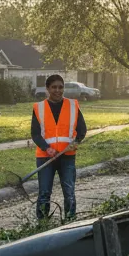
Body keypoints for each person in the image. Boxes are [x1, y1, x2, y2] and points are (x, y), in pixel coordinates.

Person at [31, 74, 87, 220]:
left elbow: (82, 130)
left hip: (67, 157)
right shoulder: (39, 107)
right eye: (54, 87)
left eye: (60, 87)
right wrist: (46, 148)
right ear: (48, 89)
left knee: (69, 192)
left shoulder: (72, 105)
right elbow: (35, 134)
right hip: (45, 158)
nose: (57, 90)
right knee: (44, 193)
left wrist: (75, 143)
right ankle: (42, 224)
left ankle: (69, 220)